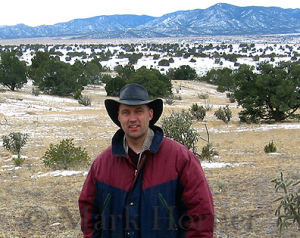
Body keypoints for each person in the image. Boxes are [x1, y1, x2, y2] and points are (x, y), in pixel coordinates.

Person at [78, 83, 214, 238]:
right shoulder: (102, 164)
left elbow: (200, 215)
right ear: (119, 117)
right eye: (126, 112)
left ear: (150, 114)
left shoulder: (180, 158)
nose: (132, 118)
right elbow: (89, 215)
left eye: (139, 111)